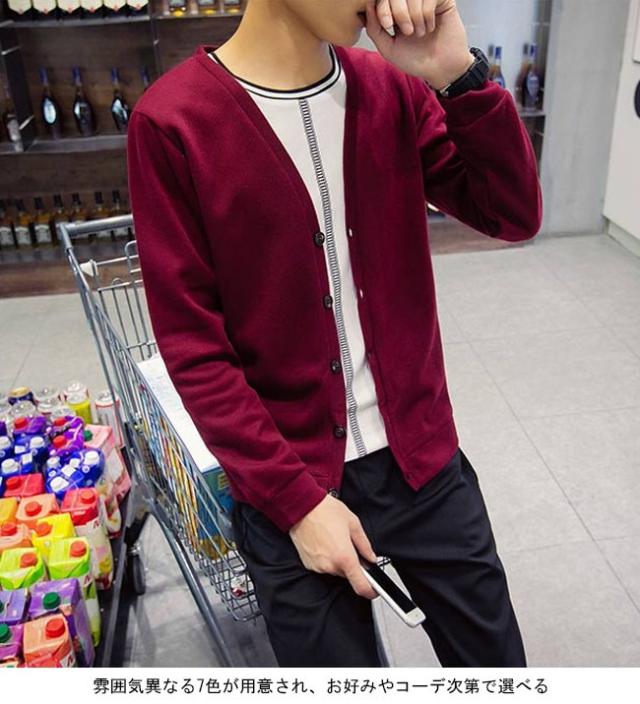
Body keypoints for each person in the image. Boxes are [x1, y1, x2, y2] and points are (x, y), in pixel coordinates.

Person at [127, 0, 542, 668]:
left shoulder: (391, 89)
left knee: (497, 668)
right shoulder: (174, 122)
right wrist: (296, 506)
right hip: (289, 484)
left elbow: (512, 212)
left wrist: (455, 74)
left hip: (422, 458)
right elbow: (196, 351)